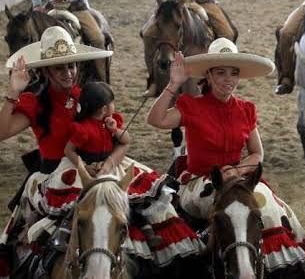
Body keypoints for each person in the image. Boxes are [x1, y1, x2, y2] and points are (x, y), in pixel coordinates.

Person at [146, 38, 305, 276]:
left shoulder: (246, 109)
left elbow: (257, 153)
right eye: (220, 73)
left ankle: (290, 266)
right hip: (199, 181)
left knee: (274, 207)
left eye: (233, 73)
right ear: (208, 76)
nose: (228, 79)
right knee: (233, 207)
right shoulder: (191, 105)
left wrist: (238, 170)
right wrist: (173, 84)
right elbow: (155, 120)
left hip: (238, 179)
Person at [0, 27, 112, 277]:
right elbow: (2, 132)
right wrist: (13, 92)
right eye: (60, 68)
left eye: (71, 66)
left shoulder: (85, 95)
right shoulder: (35, 102)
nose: (68, 73)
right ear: (45, 71)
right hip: (53, 179)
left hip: (90, 172)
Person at [54, 81, 201, 261]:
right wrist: (83, 166)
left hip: (113, 166)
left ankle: (147, 230)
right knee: (80, 199)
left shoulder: (112, 121)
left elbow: (126, 140)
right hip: (88, 170)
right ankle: (64, 232)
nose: (113, 107)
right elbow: (69, 150)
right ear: (102, 109)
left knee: (134, 197)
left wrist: (115, 130)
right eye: (111, 103)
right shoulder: (82, 129)